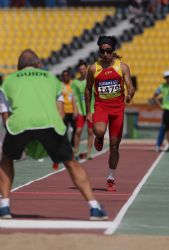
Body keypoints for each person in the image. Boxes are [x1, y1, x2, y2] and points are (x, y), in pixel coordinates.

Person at [0, 49, 108, 221]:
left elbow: (5, 117)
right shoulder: (52, 78)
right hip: (50, 122)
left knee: (6, 158)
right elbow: (61, 114)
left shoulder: (8, 81)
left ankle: (4, 206)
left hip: (19, 122)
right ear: (38, 64)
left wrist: (20, 139)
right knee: (71, 162)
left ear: (19, 67)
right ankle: (94, 207)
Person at [85, 35, 135, 192]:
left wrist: (129, 95)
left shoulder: (122, 67)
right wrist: (88, 111)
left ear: (113, 51)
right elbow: (87, 90)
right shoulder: (93, 68)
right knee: (99, 130)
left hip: (118, 109)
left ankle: (111, 178)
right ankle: (99, 138)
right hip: (101, 106)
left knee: (114, 146)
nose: (105, 54)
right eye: (102, 51)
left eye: (108, 51)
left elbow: (131, 86)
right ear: (99, 52)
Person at [72, 61, 95, 160]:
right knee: (78, 131)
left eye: (83, 68)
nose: (82, 71)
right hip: (81, 110)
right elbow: (75, 97)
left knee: (90, 131)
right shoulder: (75, 83)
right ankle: (76, 151)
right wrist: (76, 110)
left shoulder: (93, 80)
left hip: (92, 110)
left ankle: (89, 152)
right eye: (80, 69)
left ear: (87, 68)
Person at [153, 70, 169, 152]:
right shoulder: (162, 86)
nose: (167, 79)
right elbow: (155, 96)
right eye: (166, 77)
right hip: (167, 110)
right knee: (163, 128)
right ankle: (158, 145)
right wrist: (160, 105)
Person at [61, 69, 77, 147]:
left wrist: (76, 110)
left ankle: (72, 143)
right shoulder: (60, 86)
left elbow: (75, 98)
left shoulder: (73, 84)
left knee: (75, 128)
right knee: (65, 129)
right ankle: (66, 144)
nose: (66, 77)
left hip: (73, 110)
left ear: (69, 76)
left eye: (67, 75)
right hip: (64, 111)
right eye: (64, 76)